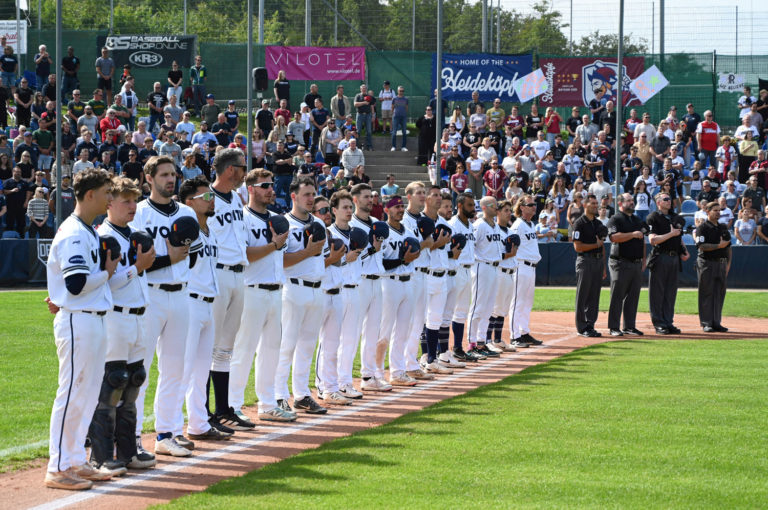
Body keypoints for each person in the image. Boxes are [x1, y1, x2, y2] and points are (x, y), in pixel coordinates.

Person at [43, 168, 118, 490]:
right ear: (90, 195)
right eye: (106, 192)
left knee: (86, 395)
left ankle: (75, 459)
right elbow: (75, 285)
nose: (110, 198)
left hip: (91, 319)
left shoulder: (87, 230)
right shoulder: (74, 232)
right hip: (78, 319)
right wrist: (107, 272)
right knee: (73, 392)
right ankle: (58, 467)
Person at [88, 176, 157, 474]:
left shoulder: (136, 235)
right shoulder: (102, 236)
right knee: (113, 382)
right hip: (115, 315)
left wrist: (139, 269)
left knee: (134, 382)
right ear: (109, 203)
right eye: (125, 201)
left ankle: (127, 451)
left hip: (140, 314)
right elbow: (107, 283)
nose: (133, 206)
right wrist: (136, 269)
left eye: (134, 199)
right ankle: (101, 456)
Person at [128, 156, 195, 458]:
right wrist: (170, 259)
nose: (171, 179)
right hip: (149, 296)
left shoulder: (187, 212)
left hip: (180, 295)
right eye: (165, 174)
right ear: (149, 178)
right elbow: (137, 260)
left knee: (175, 368)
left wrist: (174, 260)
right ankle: (131, 436)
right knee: (139, 370)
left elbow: (190, 256)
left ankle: (167, 433)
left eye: (174, 174)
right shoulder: (138, 213)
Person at [349, 184, 389, 391]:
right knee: (352, 332)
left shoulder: (377, 223)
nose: (370, 200)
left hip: (377, 281)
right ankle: (344, 380)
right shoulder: (351, 226)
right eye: (365, 197)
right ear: (355, 200)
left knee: (373, 331)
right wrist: (372, 249)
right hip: (361, 281)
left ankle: (368, 375)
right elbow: (353, 259)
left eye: (371, 196)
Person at [400, 183, 442, 378]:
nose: (422, 196)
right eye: (418, 193)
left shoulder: (424, 219)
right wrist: (427, 244)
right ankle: (403, 365)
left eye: (424, 193)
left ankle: (411, 364)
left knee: (418, 322)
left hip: (425, 272)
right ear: (408, 196)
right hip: (413, 272)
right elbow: (411, 247)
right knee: (407, 323)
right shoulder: (405, 220)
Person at [605, 193, 647, 337]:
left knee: (633, 296)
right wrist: (632, 234)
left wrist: (644, 259)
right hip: (620, 261)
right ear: (620, 204)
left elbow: (643, 239)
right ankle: (614, 327)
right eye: (628, 200)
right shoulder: (615, 219)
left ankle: (629, 326)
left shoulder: (637, 220)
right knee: (617, 295)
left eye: (632, 200)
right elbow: (613, 237)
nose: (631, 202)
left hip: (636, 262)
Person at [467, 196, 503, 358]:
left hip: (494, 267)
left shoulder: (495, 225)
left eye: (496, 204)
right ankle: (471, 343)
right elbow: (470, 246)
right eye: (492, 205)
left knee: (488, 307)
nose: (496, 207)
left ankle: (482, 342)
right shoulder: (479, 225)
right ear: (483, 207)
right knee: (478, 306)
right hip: (482, 266)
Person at [508, 195, 543, 346]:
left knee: (527, 302)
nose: (534, 206)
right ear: (521, 207)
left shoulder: (530, 224)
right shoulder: (517, 225)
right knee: (517, 302)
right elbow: (510, 246)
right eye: (530, 204)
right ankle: (514, 336)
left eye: (534, 204)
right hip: (521, 266)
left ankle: (524, 332)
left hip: (531, 267)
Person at [572, 194, 606, 337]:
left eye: (596, 203)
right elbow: (577, 247)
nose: (595, 205)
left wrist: (603, 265)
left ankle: (590, 325)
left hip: (597, 261)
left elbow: (602, 246)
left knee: (594, 295)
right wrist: (595, 245)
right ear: (585, 205)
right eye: (592, 203)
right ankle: (581, 326)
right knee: (583, 295)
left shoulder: (598, 223)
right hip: (585, 261)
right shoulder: (579, 223)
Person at [695, 201, 731, 332]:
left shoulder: (723, 227)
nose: (718, 212)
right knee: (706, 292)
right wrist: (718, 246)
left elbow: (728, 247)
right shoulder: (702, 228)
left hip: (721, 263)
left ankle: (716, 322)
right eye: (715, 210)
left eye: (719, 210)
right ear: (707, 212)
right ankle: (706, 323)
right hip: (707, 263)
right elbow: (702, 246)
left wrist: (728, 264)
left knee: (719, 293)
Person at [354, 84, 374, 151]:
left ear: (366, 89)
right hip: (360, 115)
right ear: (360, 89)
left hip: (368, 115)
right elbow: (355, 104)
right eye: (362, 88)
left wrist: (373, 115)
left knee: (369, 131)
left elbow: (372, 106)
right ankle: (356, 146)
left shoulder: (369, 96)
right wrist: (364, 103)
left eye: (365, 88)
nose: (364, 89)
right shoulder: (358, 96)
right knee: (358, 131)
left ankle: (369, 146)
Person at [391, 86, 409, 152]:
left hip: (403, 117)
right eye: (400, 91)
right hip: (396, 117)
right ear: (397, 91)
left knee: (404, 132)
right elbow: (392, 107)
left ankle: (403, 147)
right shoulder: (394, 98)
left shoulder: (406, 99)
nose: (401, 92)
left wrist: (404, 114)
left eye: (402, 91)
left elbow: (406, 108)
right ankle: (393, 146)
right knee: (394, 132)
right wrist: (393, 114)